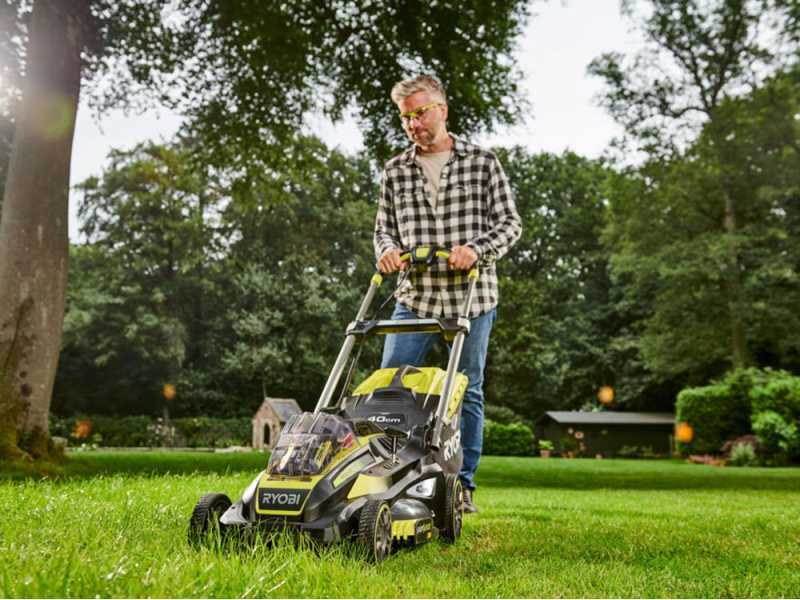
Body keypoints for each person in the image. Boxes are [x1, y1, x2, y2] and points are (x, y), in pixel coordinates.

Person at [373, 74, 522, 513]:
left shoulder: (482, 162)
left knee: (468, 390)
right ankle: (386, 476)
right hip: (415, 296)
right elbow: (384, 228)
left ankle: (464, 489)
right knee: (390, 387)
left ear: (442, 110)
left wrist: (476, 249)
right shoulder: (396, 169)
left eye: (419, 113)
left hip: (471, 298)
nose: (413, 124)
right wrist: (385, 252)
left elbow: (510, 223)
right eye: (405, 117)